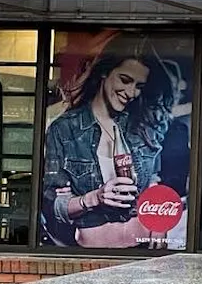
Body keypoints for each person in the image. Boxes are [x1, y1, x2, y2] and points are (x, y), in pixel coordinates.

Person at [42, 34, 176, 248]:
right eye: (125, 80)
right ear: (104, 71)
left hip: (143, 250)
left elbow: (153, 184)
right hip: (89, 255)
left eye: (139, 86)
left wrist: (160, 225)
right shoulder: (65, 130)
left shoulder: (142, 127)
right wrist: (96, 197)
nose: (131, 92)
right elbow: (52, 205)